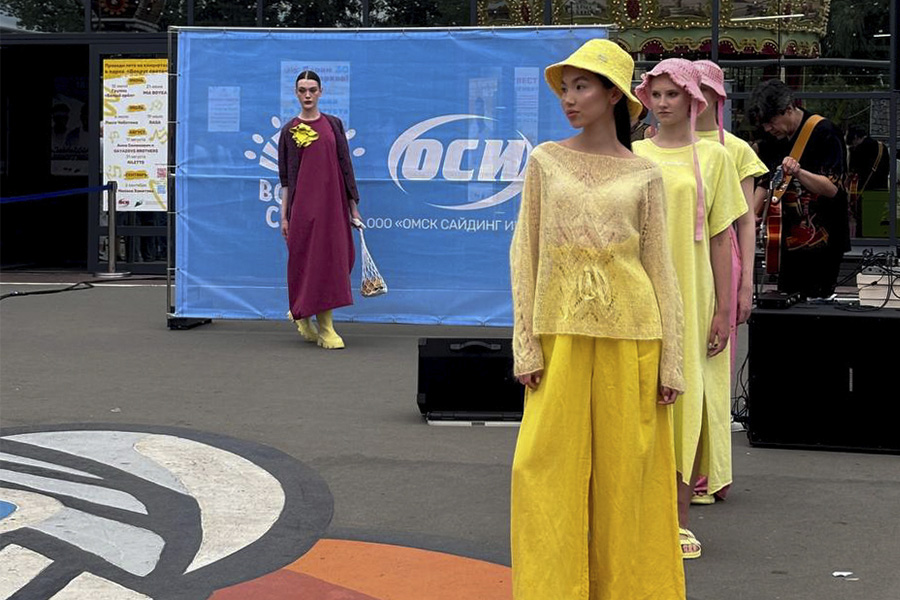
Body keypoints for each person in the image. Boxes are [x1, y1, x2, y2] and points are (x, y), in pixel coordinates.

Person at [510, 39, 686, 599]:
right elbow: (525, 253)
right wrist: (524, 344)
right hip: (558, 336)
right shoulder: (545, 160)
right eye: (565, 87)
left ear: (614, 95)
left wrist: (673, 361)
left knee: (629, 484)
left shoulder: (646, 174)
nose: (568, 97)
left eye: (581, 86)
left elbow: (660, 270)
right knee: (542, 473)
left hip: (633, 338)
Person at [632, 59, 747, 559]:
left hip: (695, 292)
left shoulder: (716, 157)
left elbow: (722, 237)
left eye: (672, 94)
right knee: (639, 400)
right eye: (655, 94)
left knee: (688, 400)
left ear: (693, 99)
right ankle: (634, 517)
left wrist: (723, 307)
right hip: (639, 291)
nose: (662, 103)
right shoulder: (633, 154)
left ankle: (678, 521)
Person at [690, 60, 768, 505]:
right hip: (676, 258)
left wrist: (743, 286)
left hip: (722, 260)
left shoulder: (734, 149)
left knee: (713, 367)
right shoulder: (654, 143)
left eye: (703, 91)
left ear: (717, 97)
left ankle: (709, 472)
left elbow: (745, 221)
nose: (694, 99)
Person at [277, 70, 362, 349]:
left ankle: (303, 313)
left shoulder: (334, 125)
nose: (307, 95)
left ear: (321, 92)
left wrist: (353, 209)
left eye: (312, 90)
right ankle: (323, 326)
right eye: (302, 90)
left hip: (333, 208)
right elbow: (286, 179)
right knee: (309, 263)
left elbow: (346, 168)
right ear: (295, 93)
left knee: (336, 262)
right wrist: (285, 216)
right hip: (303, 210)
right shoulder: (289, 131)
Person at [747, 79, 850, 299]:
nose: (768, 129)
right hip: (784, 241)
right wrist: (752, 216)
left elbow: (832, 188)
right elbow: (766, 180)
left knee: (816, 303)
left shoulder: (825, 133)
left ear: (788, 109)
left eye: (771, 122)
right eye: (764, 124)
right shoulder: (773, 138)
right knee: (786, 300)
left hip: (823, 241)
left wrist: (799, 172)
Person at [846, 124, 890, 237]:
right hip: (881, 191)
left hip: (862, 192)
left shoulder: (857, 150)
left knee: (862, 223)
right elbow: (887, 169)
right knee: (876, 221)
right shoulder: (882, 147)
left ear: (855, 137)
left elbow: (852, 171)